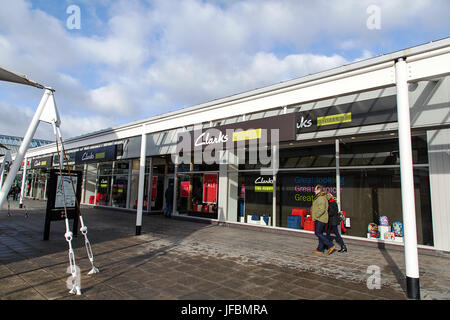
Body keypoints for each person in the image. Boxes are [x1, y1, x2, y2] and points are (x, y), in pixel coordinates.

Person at [311, 185, 336, 255]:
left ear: (319, 190)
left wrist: (316, 216)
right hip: (320, 218)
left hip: (320, 218)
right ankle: (320, 249)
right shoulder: (320, 197)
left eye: (315, 190)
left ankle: (330, 245)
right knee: (320, 233)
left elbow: (322, 209)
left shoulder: (321, 198)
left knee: (317, 233)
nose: (314, 191)